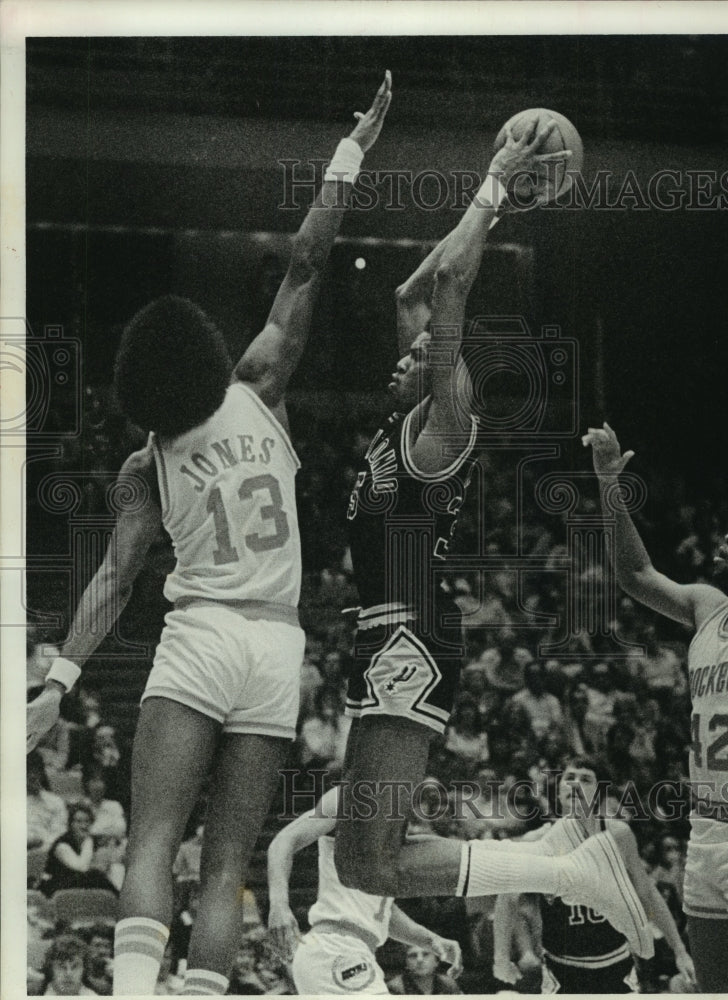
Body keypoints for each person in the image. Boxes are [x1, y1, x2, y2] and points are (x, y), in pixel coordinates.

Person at [27, 73, 393, 996]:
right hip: (275, 643)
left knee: (154, 837)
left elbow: (114, 579)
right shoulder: (258, 384)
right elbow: (307, 261)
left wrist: (57, 682)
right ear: (200, 346)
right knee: (226, 861)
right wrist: (351, 151)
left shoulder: (145, 465)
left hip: (198, 636)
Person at [331, 119, 654, 961]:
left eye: (422, 357)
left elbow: (448, 291)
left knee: (369, 857)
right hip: (391, 632)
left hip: (408, 631)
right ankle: (552, 858)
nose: (399, 356)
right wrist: (497, 207)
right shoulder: (405, 419)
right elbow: (412, 294)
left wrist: (491, 185)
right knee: (363, 862)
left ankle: (565, 871)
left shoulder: (443, 422)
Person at [584, 422, 728, 992]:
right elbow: (636, 574)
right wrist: (609, 487)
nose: (727, 538)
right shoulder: (707, 607)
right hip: (705, 835)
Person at [492, 759, 696, 994]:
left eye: (586, 779)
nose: (575, 784)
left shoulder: (619, 835)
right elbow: (506, 897)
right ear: (559, 791)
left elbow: (647, 893)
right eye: (570, 778)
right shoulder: (538, 841)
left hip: (617, 966)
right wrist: (501, 958)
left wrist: (679, 951)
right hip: (562, 971)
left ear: (599, 793)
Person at [267, 785, 463, 995]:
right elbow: (284, 841)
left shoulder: (394, 814)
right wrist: (279, 905)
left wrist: (430, 940)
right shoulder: (349, 796)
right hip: (335, 950)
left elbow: (378, 908)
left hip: (349, 953)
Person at [42, 802, 118, 897]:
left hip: (77, 885)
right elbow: (82, 867)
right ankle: (119, 900)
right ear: (71, 824)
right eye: (79, 821)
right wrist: (88, 841)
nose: (84, 826)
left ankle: (117, 899)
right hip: (57, 888)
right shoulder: (62, 844)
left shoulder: (91, 840)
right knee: (95, 875)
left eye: (87, 821)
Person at [387, 945, 463, 995]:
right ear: (406, 964)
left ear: (436, 961)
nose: (419, 960)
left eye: (426, 954)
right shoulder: (395, 987)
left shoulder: (448, 985)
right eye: (413, 956)